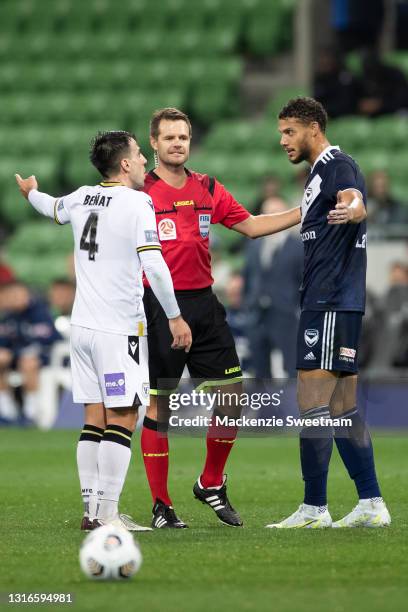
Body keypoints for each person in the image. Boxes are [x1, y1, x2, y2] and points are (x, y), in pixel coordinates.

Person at [15, 130, 192, 532]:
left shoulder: (80, 196)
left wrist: (29, 193)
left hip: (81, 330)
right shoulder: (138, 202)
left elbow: (50, 207)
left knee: (94, 418)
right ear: (125, 164)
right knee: (126, 416)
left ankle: (91, 511)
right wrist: (176, 316)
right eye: (139, 155)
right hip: (118, 329)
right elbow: (155, 266)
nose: (146, 160)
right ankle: (108, 515)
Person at [141, 107, 301, 529]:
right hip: (157, 305)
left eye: (184, 137)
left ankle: (210, 481)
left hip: (204, 305)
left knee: (233, 395)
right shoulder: (139, 193)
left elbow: (249, 225)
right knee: (162, 405)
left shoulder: (207, 186)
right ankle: (162, 504)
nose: (178, 143)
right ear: (153, 143)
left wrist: (301, 213)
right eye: (169, 137)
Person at [266, 96, 390, 528]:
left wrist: (355, 209)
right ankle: (371, 503)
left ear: (313, 129)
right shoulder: (317, 173)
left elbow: (355, 198)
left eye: (289, 132)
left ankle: (314, 507)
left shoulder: (336, 164)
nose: (282, 140)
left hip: (331, 301)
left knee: (312, 404)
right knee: (342, 408)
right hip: (338, 301)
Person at [243, 196, 303, 378]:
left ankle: (291, 407)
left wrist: (295, 308)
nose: (271, 218)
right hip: (257, 316)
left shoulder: (298, 246)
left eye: (276, 213)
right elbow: (248, 277)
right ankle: (265, 407)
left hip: (285, 315)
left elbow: (303, 281)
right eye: (267, 213)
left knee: (292, 368)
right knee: (260, 371)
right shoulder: (254, 245)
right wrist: (249, 303)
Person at [0, 280, 61, 424]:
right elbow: (3, 341)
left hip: (42, 357)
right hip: (16, 358)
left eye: (18, 294)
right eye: (11, 295)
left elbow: (49, 340)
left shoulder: (40, 312)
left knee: (28, 361)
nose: (15, 298)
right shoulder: (9, 316)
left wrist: (14, 352)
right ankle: (7, 412)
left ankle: (30, 413)